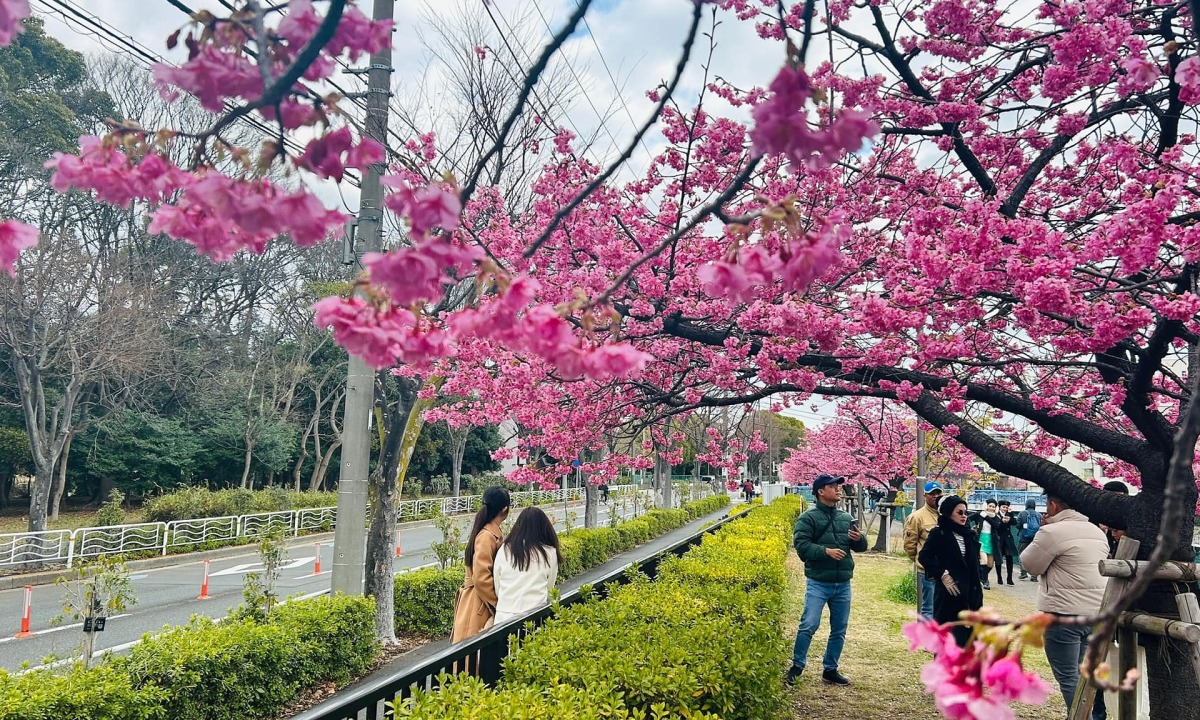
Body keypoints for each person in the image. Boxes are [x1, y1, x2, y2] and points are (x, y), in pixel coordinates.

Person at [1019, 493, 1109, 720]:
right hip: (1095, 614)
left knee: (1069, 677)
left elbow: (1030, 564)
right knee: (1082, 674)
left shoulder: (1052, 532)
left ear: (1053, 504)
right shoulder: (1096, 531)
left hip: (1064, 613)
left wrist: (1042, 532)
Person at [786, 474, 868, 686]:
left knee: (839, 628)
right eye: (832, 486)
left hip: (843, 583)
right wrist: (825, 551)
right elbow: (802, 547)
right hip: (818, 582)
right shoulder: (808, 518)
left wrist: (859, 539)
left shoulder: (845, 518)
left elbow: (861, 547)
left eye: (837, 486)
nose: (838, 489)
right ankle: (797, 666)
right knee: (809, 624)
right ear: (820, 492)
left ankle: (830, 669)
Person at [919, 495, 985, 648]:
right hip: (949, 595)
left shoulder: (969, 535)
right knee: (948, 643)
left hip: (971, 595)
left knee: (969, 645)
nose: (964, 516)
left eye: (966, 513)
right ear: (949, 513)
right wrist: (942, 574)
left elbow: (973, 565)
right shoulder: (939, 533)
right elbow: (925, 557)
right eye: (959, 512)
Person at [451, 486, 511, 643]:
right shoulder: (487, 536)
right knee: (470, 649)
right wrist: (498, 603)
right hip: (478, 602)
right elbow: (481, 577)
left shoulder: (489, 532)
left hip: (480, 600)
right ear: (504, 509)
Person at [492, 506, 562, 626]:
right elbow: (550, 587)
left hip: (503, 618)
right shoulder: (550, 553)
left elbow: (497, 583)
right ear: (544, 528)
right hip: (535, 617)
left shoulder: (504, 549)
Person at [903, 480, 944, 620]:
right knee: (929, 608)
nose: (935, 496)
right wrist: (919, 560)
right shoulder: (916, 517)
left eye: (938, 493)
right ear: (925, 495)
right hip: (928, 571)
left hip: (946, 570)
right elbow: (910, 545)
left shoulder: (947, 514)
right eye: (932, 493)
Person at [967, 499, 998, 590]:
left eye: (993, 507)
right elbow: (967, 519)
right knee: (983, 561)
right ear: (986, 506)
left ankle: (980, 576)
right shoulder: (979, 514)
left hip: (991, 541)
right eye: (990, 506)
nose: (991, 508)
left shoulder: (996, 517)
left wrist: (987, 517)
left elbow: (996, 525)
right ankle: (985, 581)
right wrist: (971, 529)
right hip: (981, 540)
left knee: (990, 564)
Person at [993, 500, 1019, 585]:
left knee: (1009, 558)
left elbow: (1014, 523)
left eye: (1006, 507)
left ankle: (1009, 578)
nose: (1005, 509)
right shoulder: (996, 515)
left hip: (1008, 539)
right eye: (1003, 507)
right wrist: (1001, 521)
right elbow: (995, 526)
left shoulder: (1009, 514)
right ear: (999, 507)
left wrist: (1011, 514)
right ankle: (999, 577)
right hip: (999, 539)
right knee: (999, 559)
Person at [1016, 498, 1043, 580]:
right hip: (1035, 538)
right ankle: (1034, 576)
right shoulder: (1039, 515)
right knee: (1034, 557)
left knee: (1022, 554)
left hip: (1024, 538)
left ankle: (1023, 572)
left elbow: (1018, 525)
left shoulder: (1022, 513)